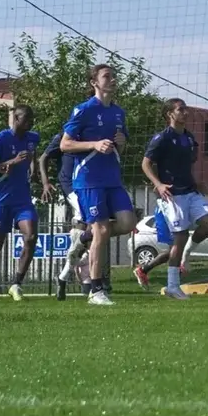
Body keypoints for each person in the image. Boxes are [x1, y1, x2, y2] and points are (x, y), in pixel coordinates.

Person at [60, 64, 136, 306]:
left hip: (112, 179)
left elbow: (120, 148)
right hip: (89, 180)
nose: (112, 80)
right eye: (107, 77)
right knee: (102, 231)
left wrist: (122, 142)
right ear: (94, 82)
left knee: (127, 223)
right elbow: (65, 145)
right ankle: (95, 289)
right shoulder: (83, 110)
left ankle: (84, 238)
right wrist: (93, 144)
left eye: (114, 77)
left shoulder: (118, 113)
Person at [138, 98, 208, 300]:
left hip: (191, 191)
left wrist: (196, 182)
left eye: (186, 109)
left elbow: (185, 167)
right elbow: (146, 164)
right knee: (179, 237)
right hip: (172, 195)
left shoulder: (190, 138)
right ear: (170, 114)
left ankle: (186, 255)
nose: (185, 112)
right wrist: (158, 184)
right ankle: (173, 286)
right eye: (180, 109)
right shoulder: (162, 138)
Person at [0, 105, 43, 301]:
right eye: (26, 118)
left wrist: (33, 168)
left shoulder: (32, 138)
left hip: (22, 197)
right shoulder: (2, 139)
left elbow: (32, 153)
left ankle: (16, 284)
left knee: (30, 236)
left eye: (32, 118)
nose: (30, 122)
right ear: (16, 118)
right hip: (1, 197)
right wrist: (11, 163)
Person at [40, 130, 90, 300]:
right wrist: (45, 183)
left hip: (88, 185)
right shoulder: (62, 136)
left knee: (90, 228)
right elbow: (43, 158)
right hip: (71, 187)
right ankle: (86, 273)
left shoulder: (92, 135)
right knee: (94, 222)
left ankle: (63, 277)